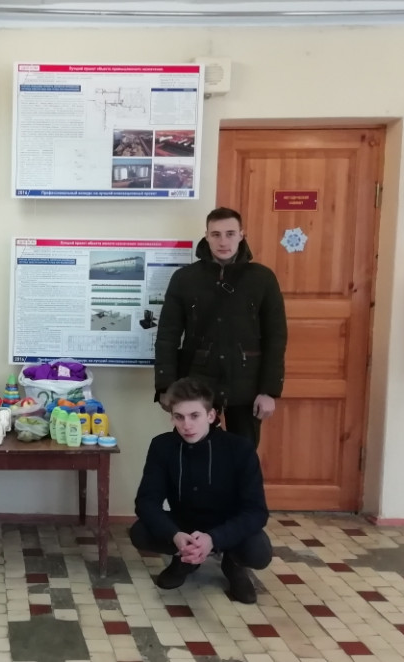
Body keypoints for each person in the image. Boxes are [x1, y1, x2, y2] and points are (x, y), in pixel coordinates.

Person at [153, 206, 287, 448]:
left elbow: (275, 337)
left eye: (230, 234)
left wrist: (269, 391)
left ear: (241, 235)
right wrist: (166, 386)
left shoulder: (262, 279)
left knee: (242, 456)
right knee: (195, 453)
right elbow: (167, 336)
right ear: (206, 236)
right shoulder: (185, 278)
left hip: (247, 386)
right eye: (216, 234)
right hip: (196, 385)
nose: (223, 241)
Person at [131, 377, 271, 604]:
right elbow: (146, 502)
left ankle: (233, 565)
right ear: (172, 417)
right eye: (179, 417)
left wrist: (213, 539)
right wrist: (175, 535)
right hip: (184, 524)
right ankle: (185, 559)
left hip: (227, 526)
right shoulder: (162, 446)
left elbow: (256, 512)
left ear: (211, 416)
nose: (186, 425)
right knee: (140, 532)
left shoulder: (240, 448)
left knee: (258, 551)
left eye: (194, 416)